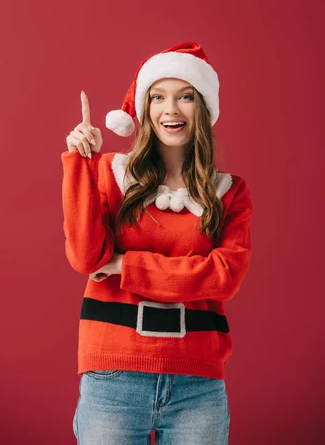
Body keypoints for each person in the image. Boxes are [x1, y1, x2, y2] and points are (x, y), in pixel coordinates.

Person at [61, 41, 254, 445]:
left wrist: (124, 266)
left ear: (201, 108)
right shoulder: (110, 174)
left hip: (196, 384)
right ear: (145, 110)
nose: (171, 110)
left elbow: (224, 276)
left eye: (185, 96)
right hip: (113, 378)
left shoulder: (229, 192)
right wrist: (81, 163)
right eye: (158, 97)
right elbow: (85, 257)